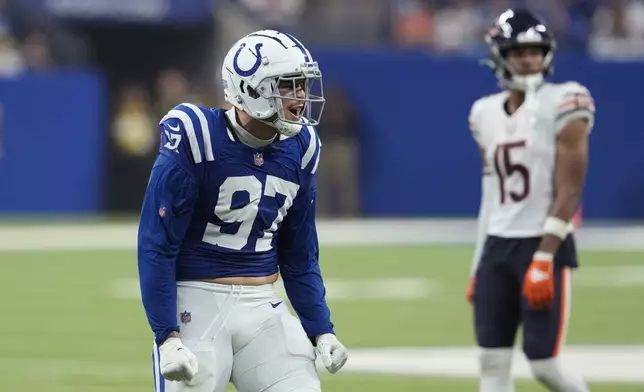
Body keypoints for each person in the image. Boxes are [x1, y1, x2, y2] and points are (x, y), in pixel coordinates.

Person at [137, 29, 348, 392]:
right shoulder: (196, 134)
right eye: (289, 85)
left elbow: (299, 255)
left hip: (263, 306)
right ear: (253, 89)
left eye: (302, 85)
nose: (301, 97)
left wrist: (320, 328)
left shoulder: (303, 148)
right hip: (196, 302)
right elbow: (157, 243)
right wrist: (167, 334)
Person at [466, 9, 594, 392]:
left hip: (542, 242)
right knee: (491, 361)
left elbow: (570, 188)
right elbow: (490, 195)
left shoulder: (567, 101)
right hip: (497, 247)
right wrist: (477, 263)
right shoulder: (483, 113)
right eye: (519, 51)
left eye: (536, 51)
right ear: (499, 55)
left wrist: (544, 256)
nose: (529, 59)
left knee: (544, 364)